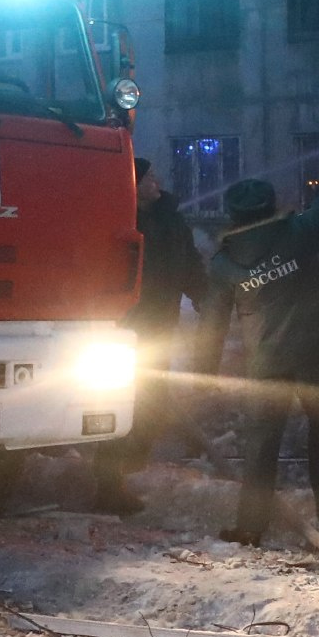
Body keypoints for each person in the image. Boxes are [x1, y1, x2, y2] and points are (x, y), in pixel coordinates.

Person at [205, 124, 319, 545]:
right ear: (271, 206)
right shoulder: (300, 234)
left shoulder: (224, 264)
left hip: (266, 361)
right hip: (310, 352)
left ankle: (250, 526)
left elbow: (212, 324)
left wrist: (203, 374)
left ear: (234, 216)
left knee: (262, 440)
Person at [90, 157, 212, 516]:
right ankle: (109, 485)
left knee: (152, 404)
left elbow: (188, 261)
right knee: (120, 405)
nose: (156, 182)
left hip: (160, 325)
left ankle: (131, 468)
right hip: (124, 329)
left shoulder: (170, 217)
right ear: (133, 183)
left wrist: (203, 295)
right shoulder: (119, 219)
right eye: (148, 178)